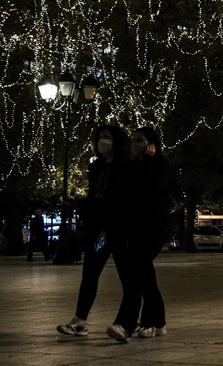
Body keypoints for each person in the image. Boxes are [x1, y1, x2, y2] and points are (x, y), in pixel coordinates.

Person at [57, 123, 129, 336]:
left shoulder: (125, 167)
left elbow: (121, 201)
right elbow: (94, 197)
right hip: (98, 231)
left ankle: (129, 321)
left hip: (117, 230)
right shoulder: (96, 166)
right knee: (90, 272)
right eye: (100, 137)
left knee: (128, 276)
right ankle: (80, 319)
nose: (102, 141)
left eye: (107, 137)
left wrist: (110, 226)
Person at [107, 127, 173, 342]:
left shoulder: (161, 165)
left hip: (154, 227)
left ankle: (125, 323)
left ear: (151, 143)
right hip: (134, 228)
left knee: (136, 274)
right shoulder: (129, 166)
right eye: (134, 139)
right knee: (145, 277)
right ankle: (156, 321)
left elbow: (153, 186)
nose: (136, 143)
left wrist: (147, 160)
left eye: (141, 140)